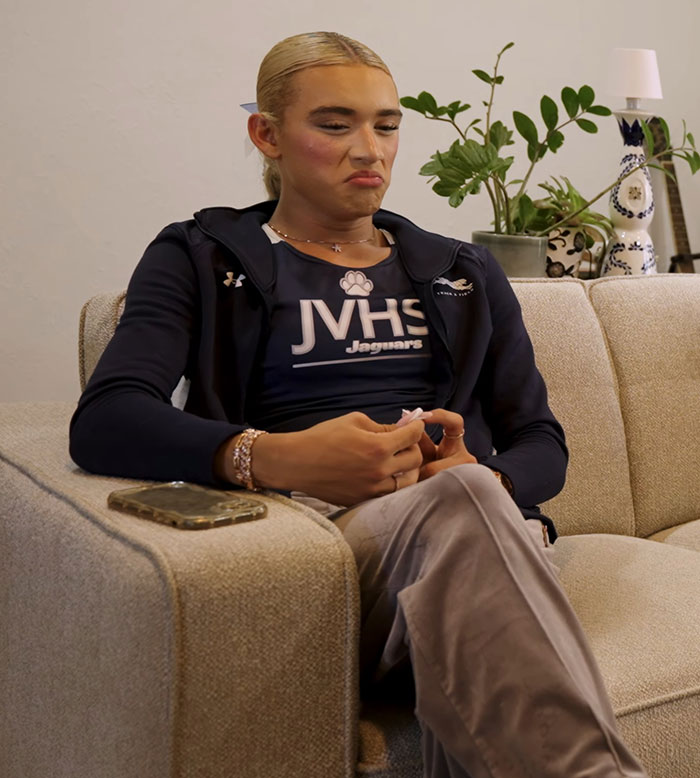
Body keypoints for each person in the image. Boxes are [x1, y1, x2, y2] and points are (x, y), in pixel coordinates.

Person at [69, 31, 648, 778]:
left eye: (387, 125)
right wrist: (273, 456)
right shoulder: (200, 256)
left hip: (472, 532)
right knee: (466, 507)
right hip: (317, 546)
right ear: (267, 135)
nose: (369, 150)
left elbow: (541, 440)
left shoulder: (462, 271)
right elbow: (107, 417)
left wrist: (488, 476)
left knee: (469, 498)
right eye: (335, 125)